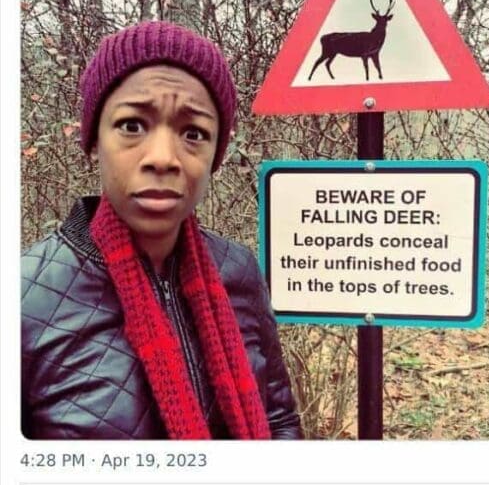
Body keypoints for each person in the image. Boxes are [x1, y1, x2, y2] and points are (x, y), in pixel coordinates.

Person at [21, 21, 302, 440]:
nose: (163, 158)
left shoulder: (239, 271)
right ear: (94, 141)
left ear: (215, 156)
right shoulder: (25, 297)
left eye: (194, 133)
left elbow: (279, 421)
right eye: (132, 125)